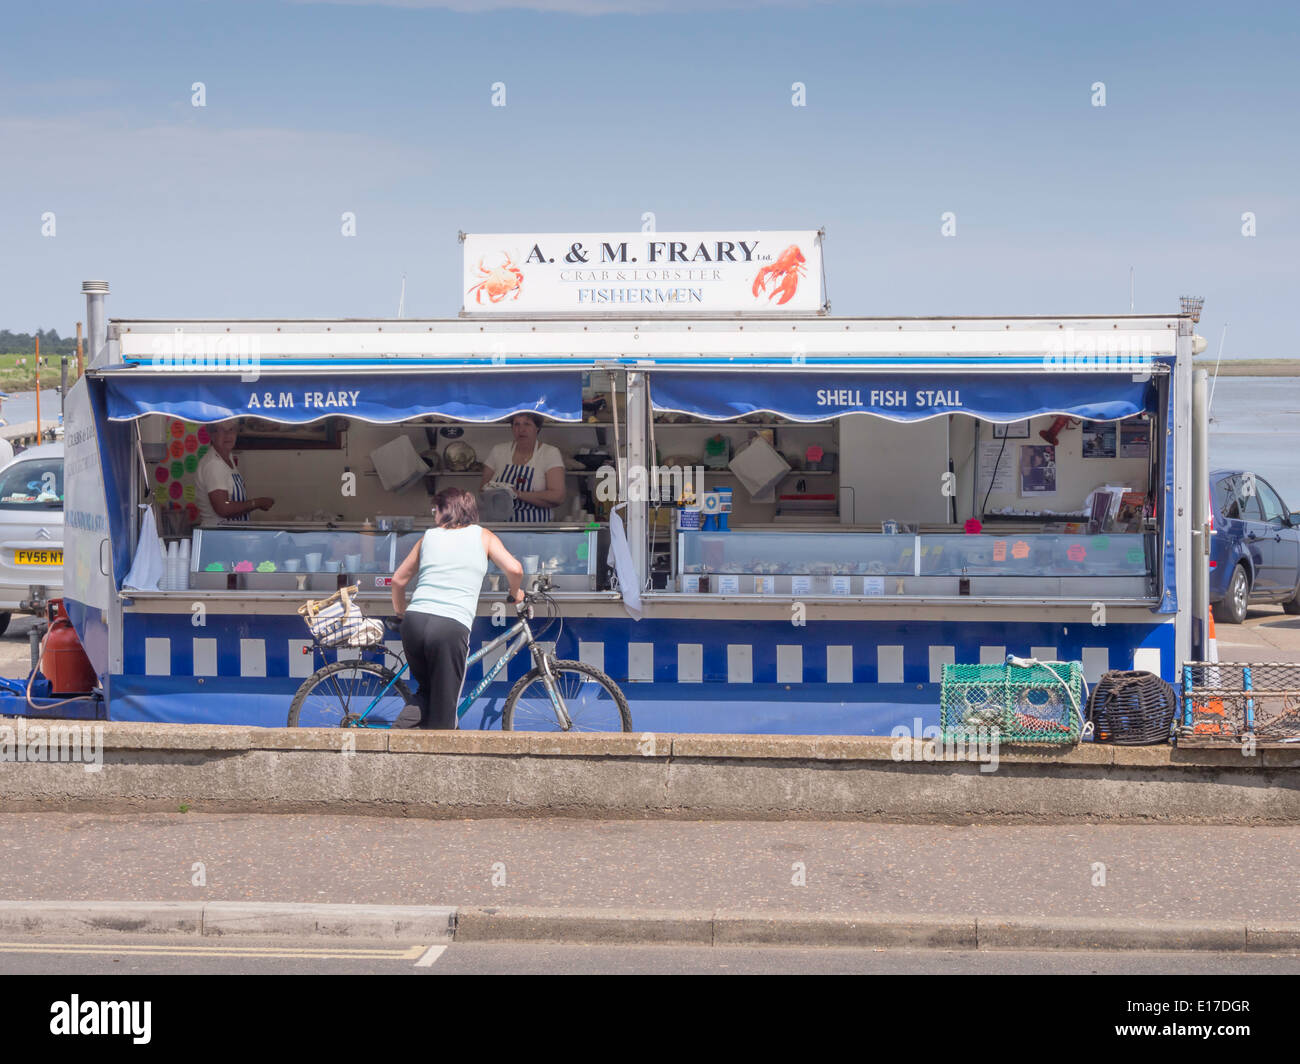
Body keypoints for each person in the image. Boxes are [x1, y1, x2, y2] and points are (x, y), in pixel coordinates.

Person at [390, 487, 524, 730]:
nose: (433, 515)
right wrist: (515, 593)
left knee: (426, 692)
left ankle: (391, 743)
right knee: (444, 707)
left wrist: (401, 613)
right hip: (450, 625)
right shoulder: (484, 536)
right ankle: (438, 763)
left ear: (446, 510)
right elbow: (515, 569)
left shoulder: (428, 537)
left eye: (435, 509)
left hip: (415, 621)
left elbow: (398, 580)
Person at [479, 412, 566, 522]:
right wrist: (499, 492)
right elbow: (482, 491)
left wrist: (518, 494)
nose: (521, 429)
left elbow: (558, 497)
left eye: (527, 424)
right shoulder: (498, 451)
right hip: (500, 527)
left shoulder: (549, 453)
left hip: (537, 529)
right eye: (516, 424)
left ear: (537, 428)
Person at [194, 421, 274, 525]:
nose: (228, 435)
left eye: (231, 430)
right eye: (222, 430)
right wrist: (257, 503)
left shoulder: (228, 457)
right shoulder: (214, 464)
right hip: (218, 533)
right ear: (212, 435)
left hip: (229, 533)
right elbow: (224, 508)